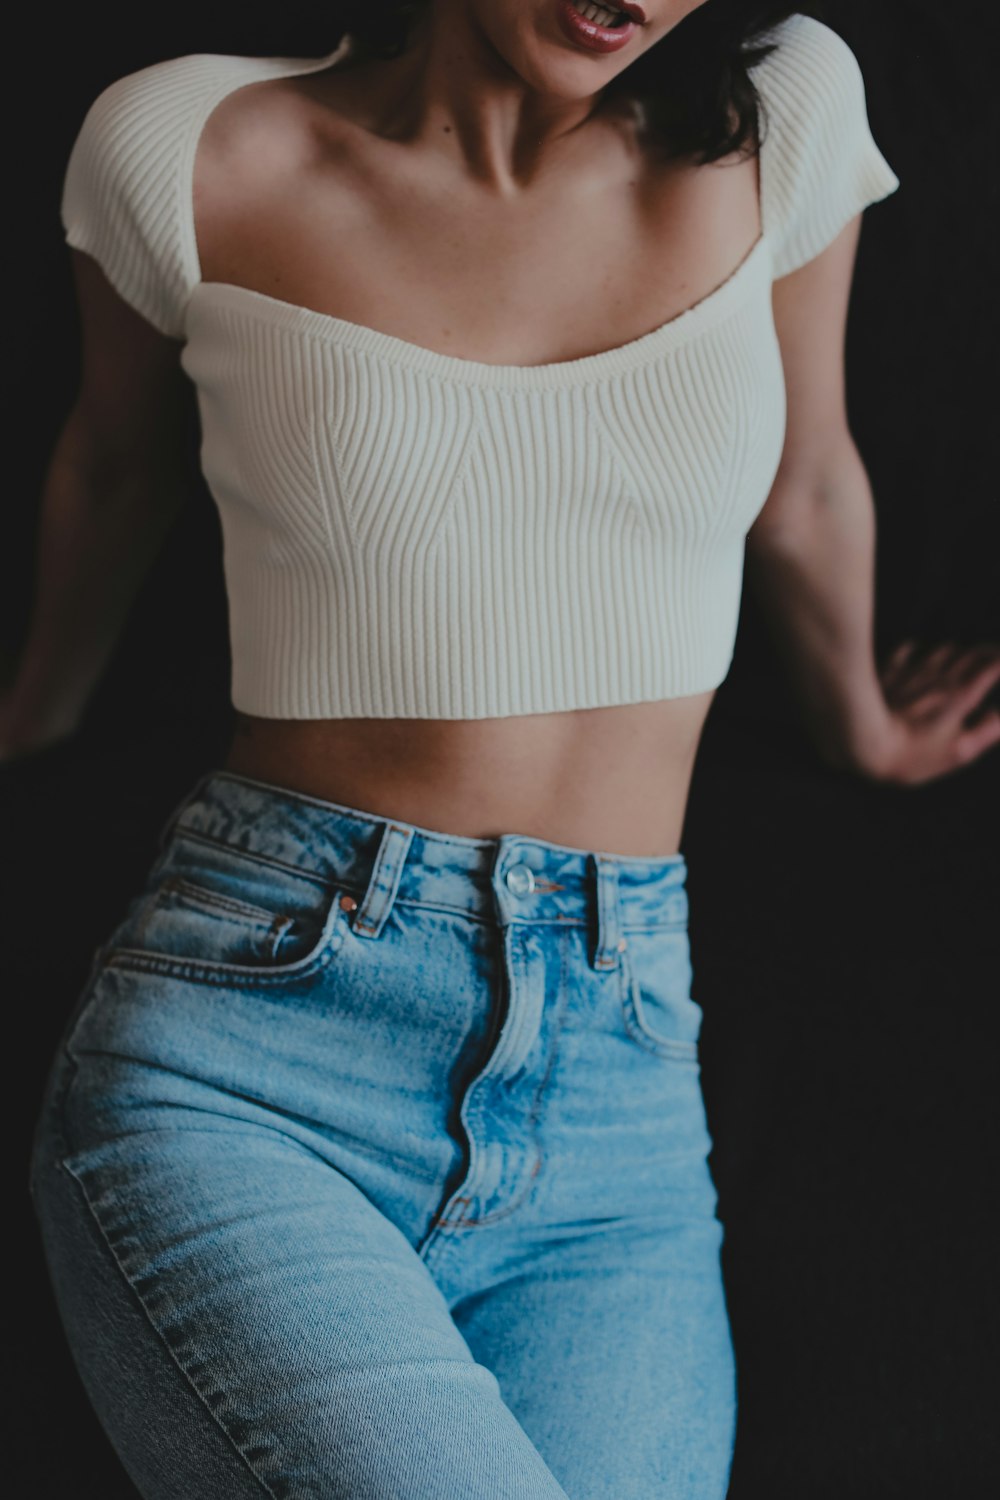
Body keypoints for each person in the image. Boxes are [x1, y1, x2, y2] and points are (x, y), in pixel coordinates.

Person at [11, 2, 999, 1496]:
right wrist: (36, 706)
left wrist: (857, 720)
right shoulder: (190, 144)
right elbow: (111, 458)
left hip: (617, 1102)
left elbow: (806, 478)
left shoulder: (778, 110)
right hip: (261, 1047)